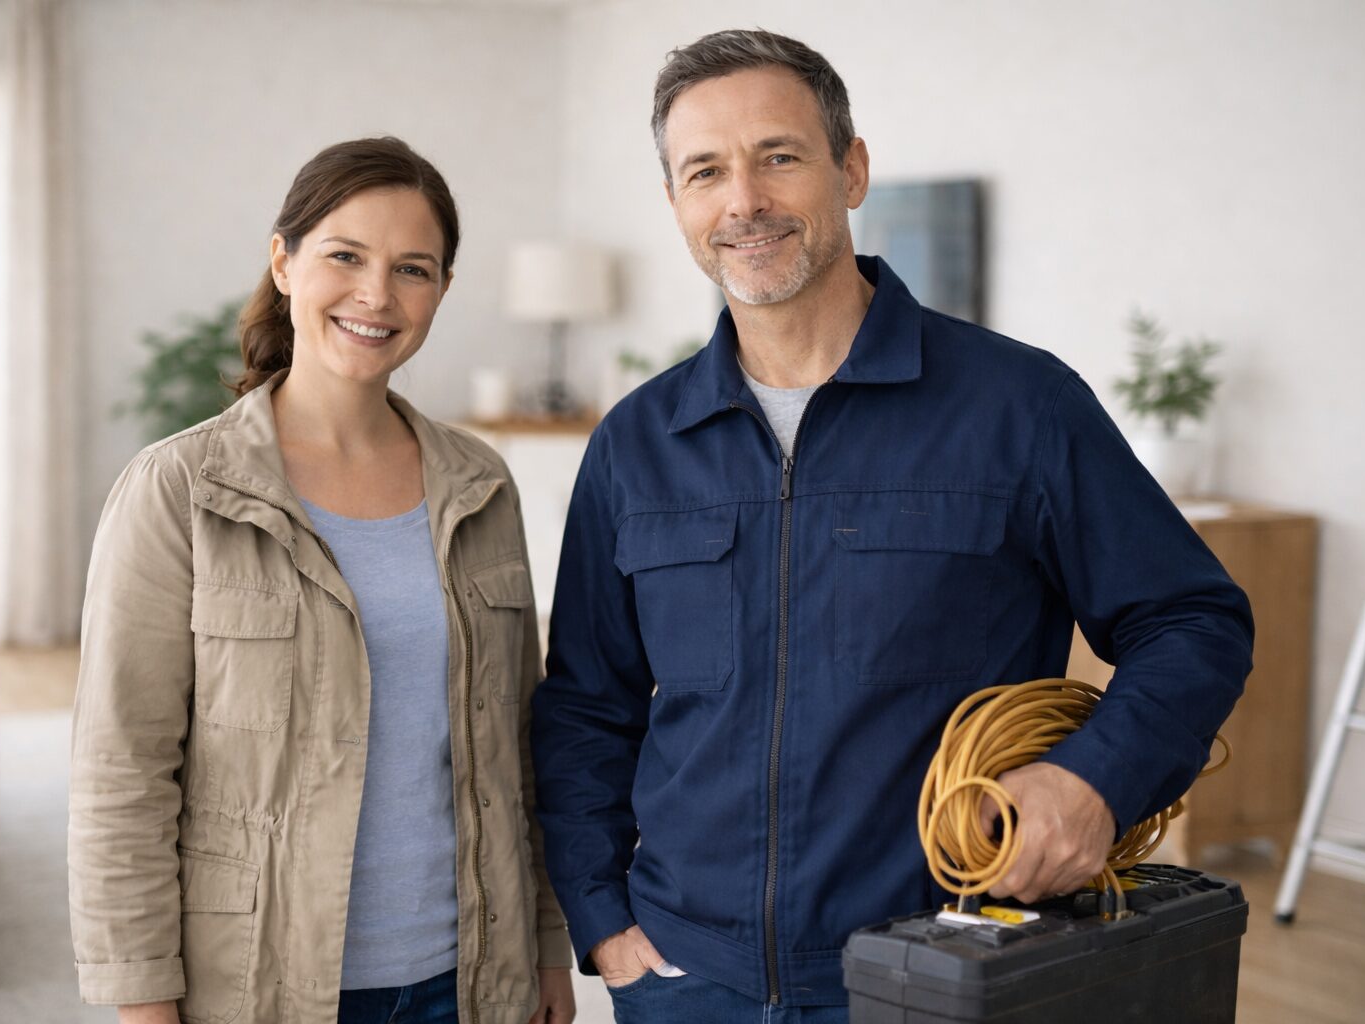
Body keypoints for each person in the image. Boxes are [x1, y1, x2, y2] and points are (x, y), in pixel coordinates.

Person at [531, 29, 1253, 1023]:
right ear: (677, 204)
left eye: (779, 156)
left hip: (941, 966)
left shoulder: (1019, 406)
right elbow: (586, 705)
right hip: (686, 980)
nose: (743, 201)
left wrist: (1095, 780)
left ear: (851, 168)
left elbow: (1193, 619)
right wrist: (604, 918)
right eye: (706, 171)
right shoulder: (635, 444)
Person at [69, 137, 575, 1024]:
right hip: (263, 988)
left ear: (442, 292)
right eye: (345, 256)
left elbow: (519, 755)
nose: (377, 295)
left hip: (468, 982)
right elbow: (122, 771)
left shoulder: (482, 487)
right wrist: (142, 1003)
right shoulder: (181, 490)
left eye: (412, 269)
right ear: (285, 260)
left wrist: (544, 951)